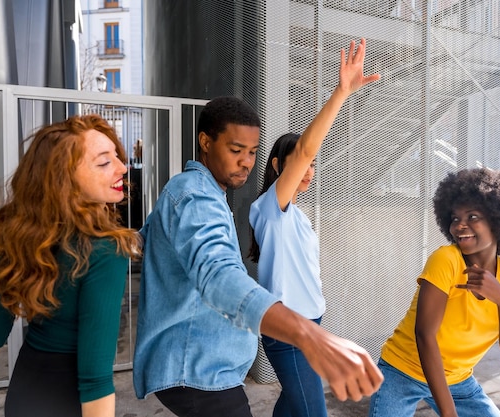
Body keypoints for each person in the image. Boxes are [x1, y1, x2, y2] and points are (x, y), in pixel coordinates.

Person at [133, 38, 384, 417]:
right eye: (236, 150)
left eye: (251, 152)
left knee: (296, 405)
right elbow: (218, 275)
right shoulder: (238, 203)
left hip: (221, 362)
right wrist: (341, 93)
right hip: (203, 369)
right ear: (205, 142)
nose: (246, 162)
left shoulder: (211, 197)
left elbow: (141, 243)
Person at [0, 115, 141, 417]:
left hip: (24, 392)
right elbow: (95, 377)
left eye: (117, 156)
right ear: (65, 181)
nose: (123, 167)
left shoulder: (26, 236)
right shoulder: (106, 249)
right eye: (104, 163)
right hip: (68, 402)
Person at [248, 38, 380, 417]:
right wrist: (340, 93)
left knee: (294, 406)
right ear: (277, 166)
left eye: (312, 166)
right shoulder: (271, 207)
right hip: (289, 331)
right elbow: (306, 147)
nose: (308, 170)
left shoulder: (297, 215)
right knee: (312, 412)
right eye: (300, 164)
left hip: (312, 323)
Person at [368, 168, 500, 417]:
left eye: (473, 216)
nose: (460, 226)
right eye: (455, 218)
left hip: (457, 380)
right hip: (402, 370)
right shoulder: (445, 260)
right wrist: (449, 413)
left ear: (499, 220)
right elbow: (425, 335)